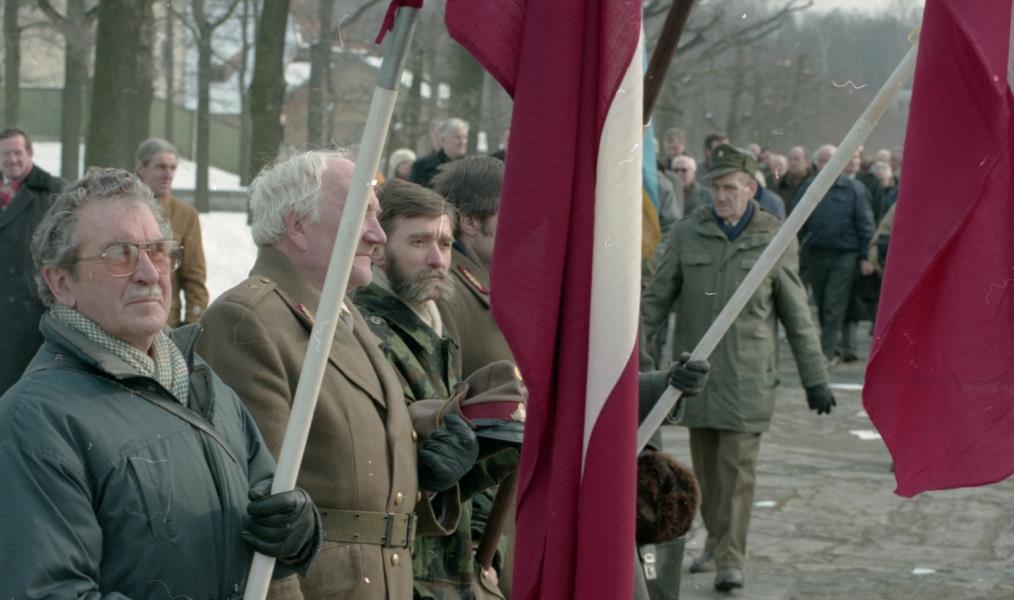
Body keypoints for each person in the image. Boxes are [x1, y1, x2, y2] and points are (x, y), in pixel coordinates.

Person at [0, 168, 320, 596]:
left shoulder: (203, 384)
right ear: (61, 282)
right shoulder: (37, 419)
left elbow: (260, 523)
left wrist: (294, 531)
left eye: (158, 251)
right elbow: (48, 590)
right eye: (120, 255)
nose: (149, 273)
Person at [197, 150, 474, 599]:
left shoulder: (345, 317)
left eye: (376, 216)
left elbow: (358, 497)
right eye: (361, 214)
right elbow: (259, 513)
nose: (377, 235)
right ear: (297, 226)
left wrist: (425, 477)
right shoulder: (249, 320)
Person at [641, 144, 835, 592]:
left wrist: (816, 379)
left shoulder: (773, 238)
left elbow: (797, 315)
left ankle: (731, 557)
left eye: (730, 188)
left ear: (751, 189)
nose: (721, 196)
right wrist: (624, 350)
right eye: (715, 188)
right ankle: (714, 542)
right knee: (707, 474)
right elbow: (654, 304)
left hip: (748, 379)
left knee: (737, 472)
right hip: (695, 381)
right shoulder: (689, 234)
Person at [354, 179, 515, 599]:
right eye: (419, 241)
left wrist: (498, 445)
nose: (437, 259)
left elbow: (453, 471)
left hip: (448, 565)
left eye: (444, 243)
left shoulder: (434, 323)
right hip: (396, 571)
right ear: (378, 248)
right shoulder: (362, 329)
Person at [796, 144, 875, 364]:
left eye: (830, 160)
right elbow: (797, 222)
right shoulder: (808, 188)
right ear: (816, 164)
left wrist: (866, 256)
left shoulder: (854, 189)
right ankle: (833, 346)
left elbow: (866, 225)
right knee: (822, 303)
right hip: (816, 254)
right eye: (822, 161)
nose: (826, 165)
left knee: (834, 303)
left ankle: (826, 353)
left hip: (844, 256)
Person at [0, 127, 64, 393]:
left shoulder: (54, 191)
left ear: (30, 153)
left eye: (17, 152)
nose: (12, 159)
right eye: (5, 154)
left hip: (34, 310)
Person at [135, 138, 209, 326]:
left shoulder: (185, 215)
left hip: (166, 323)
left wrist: (193, 328)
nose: (168, 175)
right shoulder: (119, 209)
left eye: (172, 168)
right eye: (161, 167)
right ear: (141, 168)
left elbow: (194, 280)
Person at [411, 118, 469, 188]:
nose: (462, 142)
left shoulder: (472, 168)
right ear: (443, 140)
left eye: (465, 137)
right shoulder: (421, 166)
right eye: (458, 137)